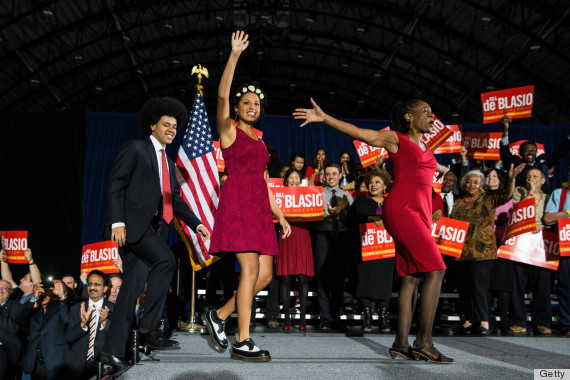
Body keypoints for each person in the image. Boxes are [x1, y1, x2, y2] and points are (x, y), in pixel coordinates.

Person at [294, 98, 452, 363]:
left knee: (411, 276)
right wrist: (326, 117)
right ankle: (424, 342)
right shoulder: (396, 139)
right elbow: (359, 133)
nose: (431, 116)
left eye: (432, 111)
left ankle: (401, 343)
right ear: (409, 117)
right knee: (436, 269)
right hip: (404, 209)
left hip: (421, 211)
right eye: (425, 111)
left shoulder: (425, 144)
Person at [98, 96, 210, 375]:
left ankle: (110, 352)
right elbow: (116, 185)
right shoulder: (136, 148)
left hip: (150, 230)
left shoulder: (169, 163)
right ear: (153, 126)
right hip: (133, 229)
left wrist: (197, 224)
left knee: (128, 294)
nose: (172, 129)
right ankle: (149, 327)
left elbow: (177, 201)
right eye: (166, 125)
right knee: (166, 260)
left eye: (175, 126)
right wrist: (117, 222)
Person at [202, 31, 290, 363]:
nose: (252, 107)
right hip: (237, 206)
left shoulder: (261, 142)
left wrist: (279, 215)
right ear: (238, 108)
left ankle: (219, 316)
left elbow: (265, 182)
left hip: (259, 211)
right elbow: (222, 97)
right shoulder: (229, 131)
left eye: (256, 104)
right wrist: (235, 55)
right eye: (246, 103)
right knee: (250, 271)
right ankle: (243, 340)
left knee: (265, 275)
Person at [450, 165, 522, 336]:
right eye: (469, 182)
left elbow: (506, 196)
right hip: (461, 253)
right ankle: (469, 320)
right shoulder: (459, 202)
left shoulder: (488, 198)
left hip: (482, 252)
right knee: (465, 287)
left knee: (479, 288)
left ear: (481, 185)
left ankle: (484, 321)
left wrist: (511, 179)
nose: (472, 185)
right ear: (464, 184)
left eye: (476, 182)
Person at [348, 170, 394, 333]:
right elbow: (351, 220)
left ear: (385, 186)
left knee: (384, 282)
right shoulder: (360, 201)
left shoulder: (392, 202)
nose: (373, 185)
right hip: (366, 250)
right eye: (371, 183)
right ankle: (367, 317)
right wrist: (371, 218)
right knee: (365, 282)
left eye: (377, 182)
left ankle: (383, 317)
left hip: (387, 250)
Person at [509, 168, 552, 335]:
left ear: (543, 180)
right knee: (517, 284)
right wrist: (531, 193)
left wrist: (545, 226)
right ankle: (518, 321)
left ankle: (542, 322)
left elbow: (553, 218)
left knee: (542, 285)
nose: (530, 179)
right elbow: (517, 210)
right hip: (521, 244)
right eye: (528, 177)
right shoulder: (519, 192)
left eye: (535, 177)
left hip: (542, 245)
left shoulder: (549, 198)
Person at [311, 163, 354, 330]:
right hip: (323, 237)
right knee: (322, 279)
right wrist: (327, 212)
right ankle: (325, 318)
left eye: (334, 174)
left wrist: (343, 212)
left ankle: (335, 317)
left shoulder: (347, 196)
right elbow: (312, 216)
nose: (331, 177)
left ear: (340, 175)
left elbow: (352, 221)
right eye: (328, 174)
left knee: (338, 279)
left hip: (341, 239)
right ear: (324, 176)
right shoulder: (317, 194)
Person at [276, 169, 315, 330]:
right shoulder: (279, 196)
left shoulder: (307, 194)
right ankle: (286, 319)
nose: (293, 180)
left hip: (302, 235)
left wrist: (318, 198)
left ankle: (303, 320)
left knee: (302, 277)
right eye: (290, 177)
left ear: (300, 180)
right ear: (285, 181)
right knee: (285, 278)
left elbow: (316, 212)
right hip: (286, 234)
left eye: (296, 177)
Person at [499, 114, 570, 193]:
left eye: (533, 150)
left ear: (536, 152)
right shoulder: (516, 163)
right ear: (520, 153)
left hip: (542, 201)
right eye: (526, 150)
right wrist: (505, 131)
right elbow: (505, 153)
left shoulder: (543, 161)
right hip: (522, 200)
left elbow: (560, 152)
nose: (530, 153)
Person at [485, 168, 516, 335]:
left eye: (494, 176)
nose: (491, 178)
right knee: (487, 286)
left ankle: (504, 322)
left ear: (500, 179)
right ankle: (486, 321)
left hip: (503, 245)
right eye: (488, 176)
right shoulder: (481, 197)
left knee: (503, 286)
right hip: (484, 246)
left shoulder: (508, 198)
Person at [66, 270, 113, 379]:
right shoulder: (76, 308)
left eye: (97, 284)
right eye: (90, 284)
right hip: (76, 368)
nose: (92, 287)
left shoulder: (114, 309)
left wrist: (105, 322)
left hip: (103, 367)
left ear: (105, 288)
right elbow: (69, 337)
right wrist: (82, 324)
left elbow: (118, 339)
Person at [23, 280, 70, 380]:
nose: (43, 296)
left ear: (51, 293)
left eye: (46, 293)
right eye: (41, 293)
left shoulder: (59, 307)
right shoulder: (33, 310)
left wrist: (62, 297)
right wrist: (33, 298)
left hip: (56, 363)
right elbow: (19, 318)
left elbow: (67, 320)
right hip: (36, 364)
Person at [543, 167, 570, 336]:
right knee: (565, 285)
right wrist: (567, 213)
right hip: (566, 246)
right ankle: (566, 321)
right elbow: (548, 218)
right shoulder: (559, 193)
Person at [0, 279, 35, 379]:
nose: (0, 290)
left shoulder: (17, 307)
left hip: (8, 355)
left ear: (11, 292)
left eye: (4, 288)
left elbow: (14, 328)